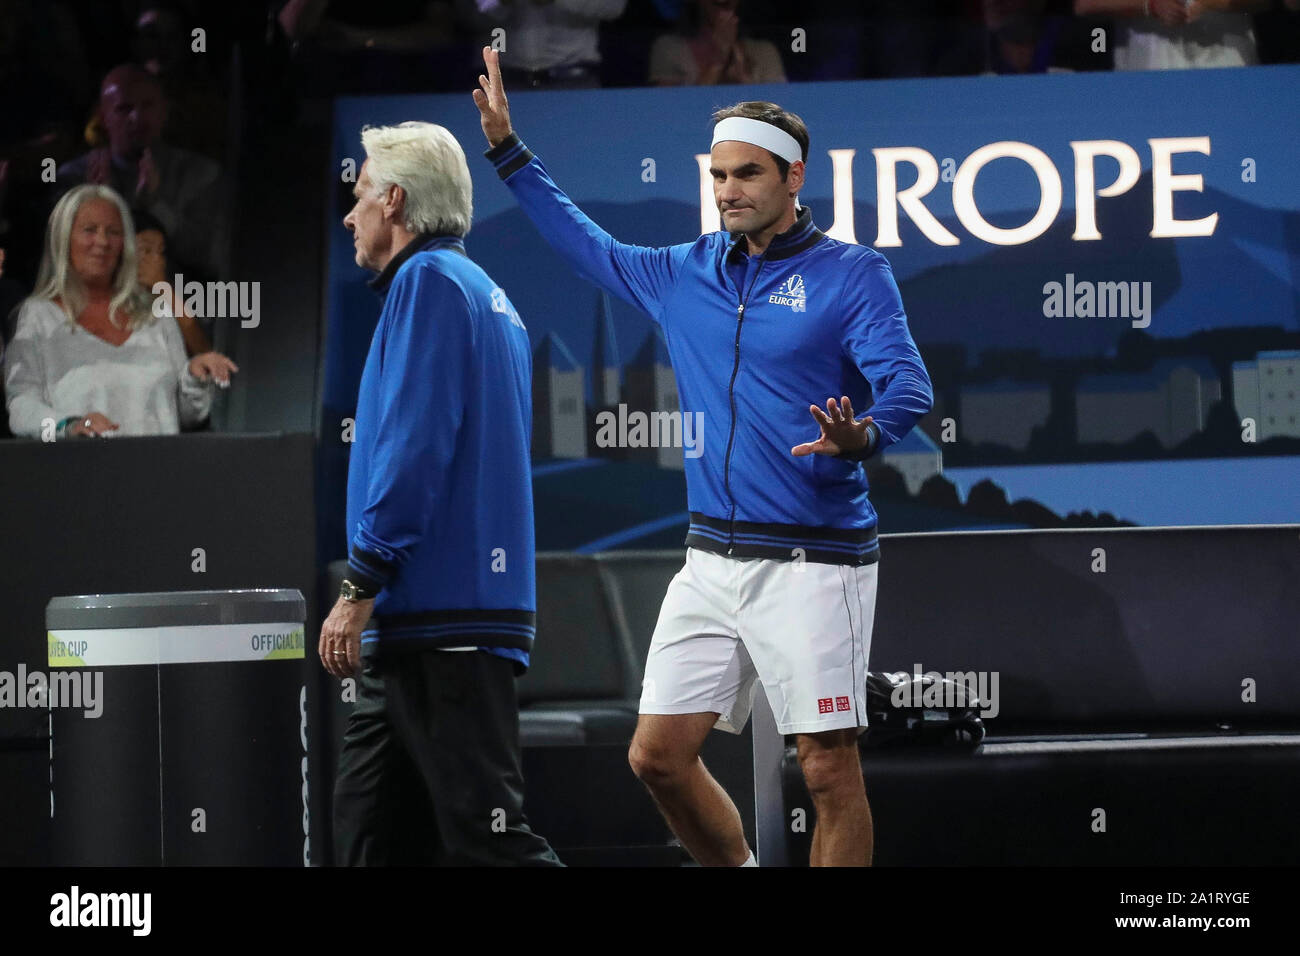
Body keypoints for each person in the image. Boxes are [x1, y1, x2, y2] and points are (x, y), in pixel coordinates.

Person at [474, 47, 933, 866]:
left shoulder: (853, 273)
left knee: (828, 770)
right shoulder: (685, 270)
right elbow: (586, 245)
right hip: (710, 559)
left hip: (812, 561)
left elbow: (908, 384)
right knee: (656, 757)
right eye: (718, 175)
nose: (727, 191)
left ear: (794, 178)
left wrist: (862, 436)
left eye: (747, 174)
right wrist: (510, 152)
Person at [324, 120, 561, 867]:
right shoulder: (485, 292)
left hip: (443, 621)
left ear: (394, 200)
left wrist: (361, 581)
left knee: (492, 846)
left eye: (360, 193)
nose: (349, 213)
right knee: (371, 838)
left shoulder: (428, 284)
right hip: (421, 625)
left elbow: (414, 450)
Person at [3, 184, 235, 439]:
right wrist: (66, 426)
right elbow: (21, 409)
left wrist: (195, 377)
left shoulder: (155, 314)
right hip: (80, 474)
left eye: (113, 232)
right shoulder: (38, 316)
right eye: (89, 230)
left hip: (159, 474)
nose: (102, 242)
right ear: (63, 238)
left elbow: (186, 415)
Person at [55, 64, 231, 282]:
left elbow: (210, 260)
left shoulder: (201, 174)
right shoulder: (74, 178)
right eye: (124, 109)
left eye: (147, 106)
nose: (137, 118)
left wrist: (157, 207)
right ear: (103, 116)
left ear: (164, 110)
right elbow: (61, 264)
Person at [1073, 0, 1268, 69]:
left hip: (1229, 69)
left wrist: (1212, 2)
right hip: (1150, 74)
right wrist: (1150, 6)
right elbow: (1085, 5)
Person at [649, 0, 787, 85]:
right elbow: (671, 110)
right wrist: (718, 61)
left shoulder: (765, 52)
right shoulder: (668, 49)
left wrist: (743, 75)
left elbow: (776, 114)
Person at [133, 210, 212, 356]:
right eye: (146, 250)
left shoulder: (170, 300)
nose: (157, 260)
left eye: (161, 252)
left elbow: (204, 353)